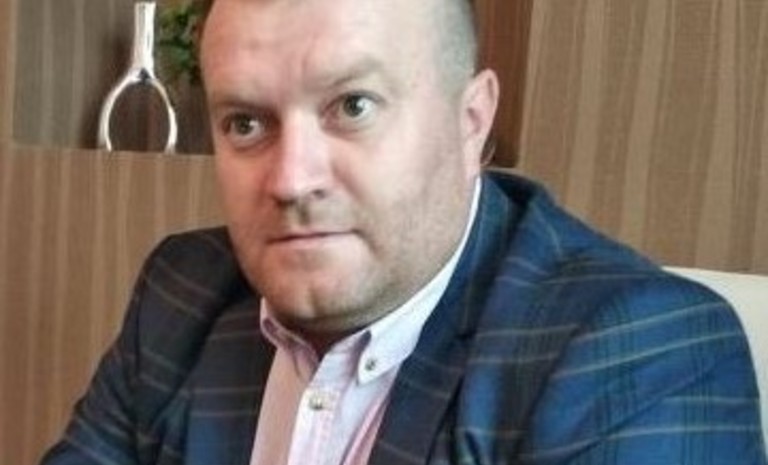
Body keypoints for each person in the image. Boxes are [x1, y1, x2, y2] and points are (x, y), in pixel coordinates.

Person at [40, 0, 766, 463]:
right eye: (247, 123)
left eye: (352, 106)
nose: (291, 179)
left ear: (470, 122)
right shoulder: (184, 293)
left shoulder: (638, 353)